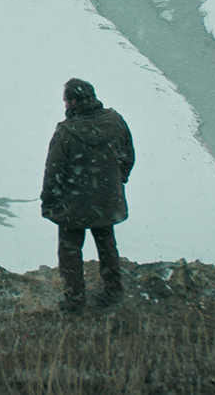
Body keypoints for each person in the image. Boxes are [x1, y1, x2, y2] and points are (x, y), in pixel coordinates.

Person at [40, 78, 135, 312]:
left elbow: (54, 170)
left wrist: (49, 201)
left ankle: (75, 300)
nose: (64, 105)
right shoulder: (115, 121)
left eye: (65, 100)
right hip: (106, 200)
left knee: (70, 251)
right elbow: (128, 155)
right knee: (107, 245)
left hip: (74, 204)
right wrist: (115, 182)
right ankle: (113, 292)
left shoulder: (66, 132)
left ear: (72, 101)